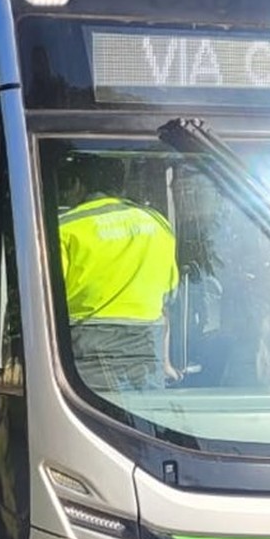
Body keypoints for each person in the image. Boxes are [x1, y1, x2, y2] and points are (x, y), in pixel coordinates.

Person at [58, 165, 180, 391]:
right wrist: (165, 361)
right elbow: (167, 300)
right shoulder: (157, 223)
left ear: (77, 184)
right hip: (146, 347)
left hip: (88, 350)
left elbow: (44, 301)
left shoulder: (66, 228)